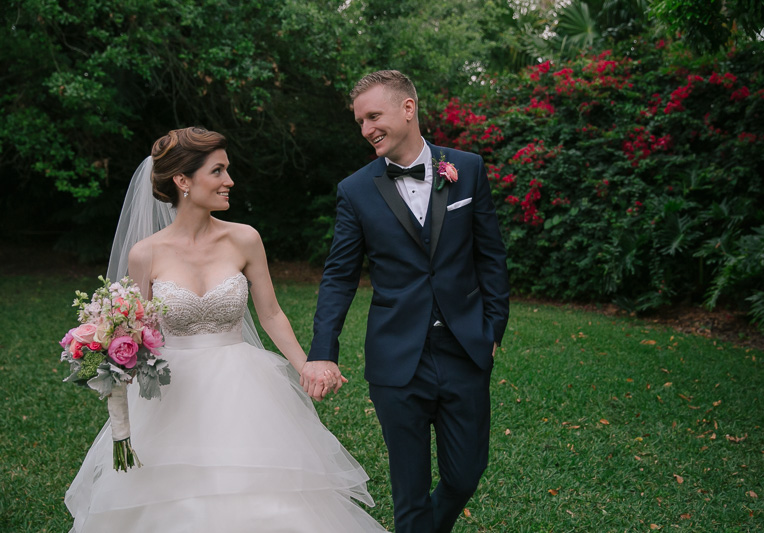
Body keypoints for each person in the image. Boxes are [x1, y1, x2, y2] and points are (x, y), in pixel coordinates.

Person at [65, 127, 386, 532]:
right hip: (171, 394)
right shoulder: (145, 254)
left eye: (227, 170)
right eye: (217, 171)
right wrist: (110, 354)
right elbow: (133, 328)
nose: (229, 181)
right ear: (183, 180)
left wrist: (307, 366)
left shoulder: (245, 239)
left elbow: (270, 314)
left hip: (244, 387)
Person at [301, 70, 510, 533]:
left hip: (465, 350)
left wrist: (493, 329)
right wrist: (322, 350)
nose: (366, 129)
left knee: (464, 475)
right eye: (360, 121)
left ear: (408, 108)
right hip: (397, 360)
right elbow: (339, 276)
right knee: (409, 491)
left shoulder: (467, 168)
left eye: (373, 116)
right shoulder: (355, 190)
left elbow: (491, 256)